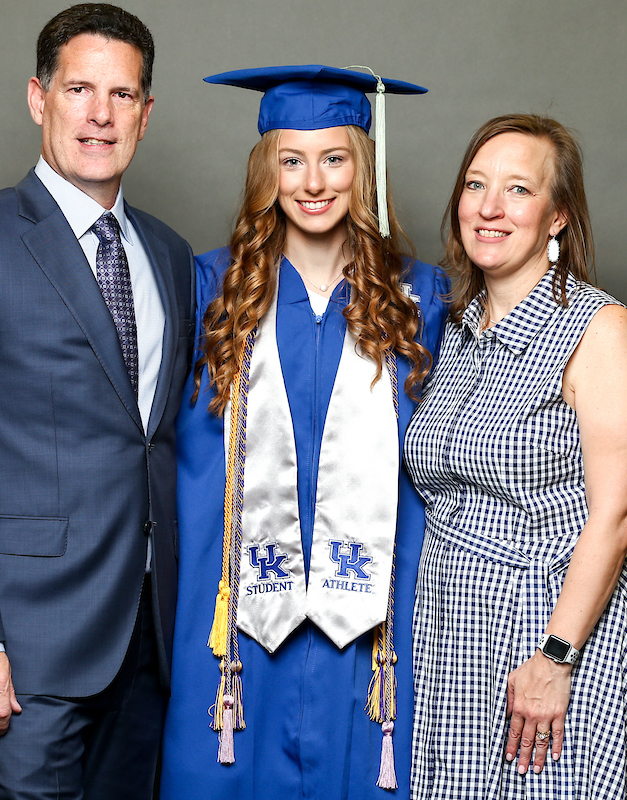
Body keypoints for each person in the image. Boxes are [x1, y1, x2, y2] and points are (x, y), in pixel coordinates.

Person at [0, 5, 194, 798]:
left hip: (149, 641)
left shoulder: (167, 254)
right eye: (79, 89)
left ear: (146, 113)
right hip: (25, 649)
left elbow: (154, 443)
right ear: (38, 97)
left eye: (122, 95)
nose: (100, 114)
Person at [159, 66, 446, 800]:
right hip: (236, 619)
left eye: (334, 159)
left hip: (378, 621)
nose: (313, 182)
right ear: (267, 172)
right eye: (292, 160)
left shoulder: (422, 298)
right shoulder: (206, 291)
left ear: (362, 168)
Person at [405, 114, 627, 799]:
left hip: (562, 628)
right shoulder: (455, 326)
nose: (489, 207)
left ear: (557, 217)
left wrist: (555, 658)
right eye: (476, 185)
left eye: (518, 190)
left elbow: (621, 512)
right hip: (459, 632)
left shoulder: (599, 328)